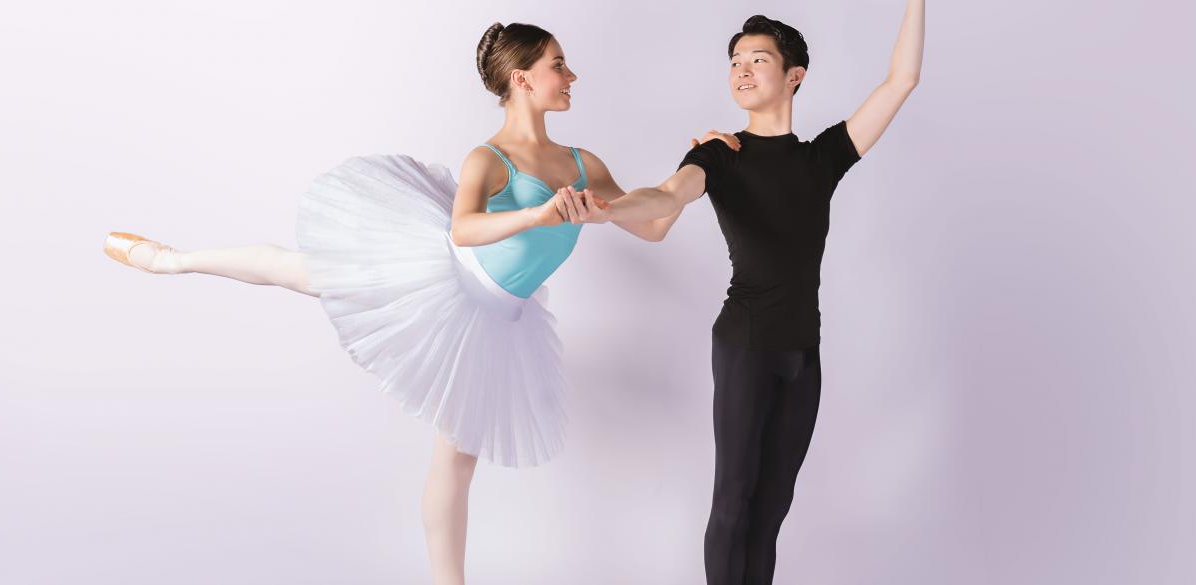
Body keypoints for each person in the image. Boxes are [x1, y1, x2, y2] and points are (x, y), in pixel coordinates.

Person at [100, 22, 729, 585]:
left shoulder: (581, 162)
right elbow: (463, 228)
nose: (571, 75)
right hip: (445, 279)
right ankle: (170, 259)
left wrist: (696, 164)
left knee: (457, 460)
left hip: (499, 318)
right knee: (305, 271)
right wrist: (540, 212)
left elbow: (651, 225)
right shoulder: (491, 158)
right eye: (558, 64)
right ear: (522, 79)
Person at [554, 4, 925, 583]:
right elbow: (669, 195)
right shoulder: (719, 155)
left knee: (772, 509)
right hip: (746, 348)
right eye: (735, 61)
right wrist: (609, 210)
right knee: (732, 502)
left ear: (795, 74)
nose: (742, 70)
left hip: (804, 355)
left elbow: (901, 81)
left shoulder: (821, 157)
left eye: (758, 59)